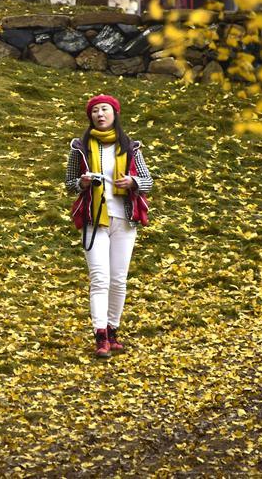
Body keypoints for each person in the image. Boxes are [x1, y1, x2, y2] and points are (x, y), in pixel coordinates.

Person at [65, 94, 153, 357]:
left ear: (115, 114)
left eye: (105, 110)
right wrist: (82, 183)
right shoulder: (79, 147)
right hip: (94, 219)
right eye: (95, 111)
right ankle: (100, 336)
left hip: (124, 219)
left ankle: (113, 330)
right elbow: (69, 184)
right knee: (100, 278)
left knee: (118, 280)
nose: (100, 114)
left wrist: (133, 183)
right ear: (90, 116)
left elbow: (148, 181)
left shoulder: (131, 146)